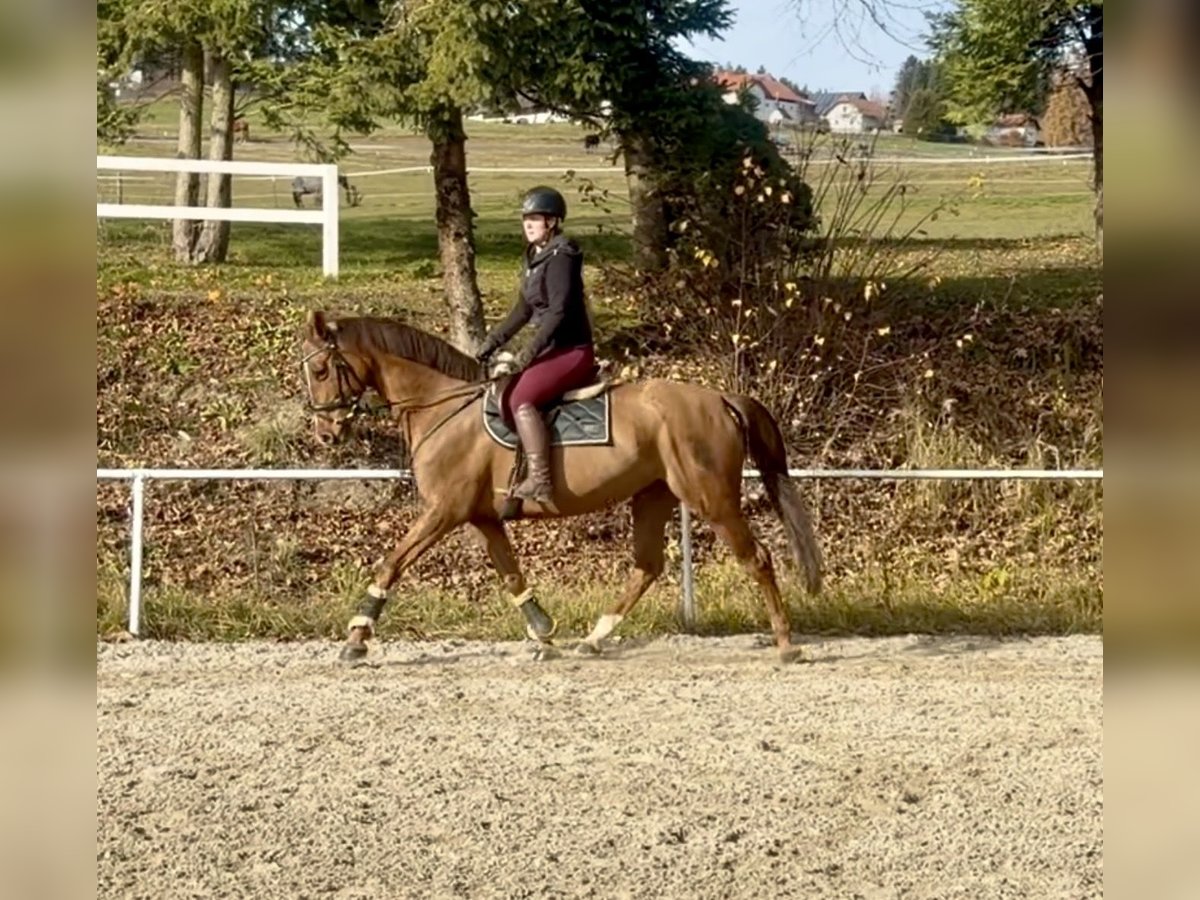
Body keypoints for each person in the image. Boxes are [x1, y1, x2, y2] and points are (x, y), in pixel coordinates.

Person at [475, 186, 597, 504]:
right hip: (551, 349)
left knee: (521, 399)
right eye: (526, 219)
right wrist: (491, 342)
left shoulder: (562, 257)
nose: (528, 224)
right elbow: (523, 309)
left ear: (553, 222)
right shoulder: (535, 257)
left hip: (571, 350)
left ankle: (541, 480)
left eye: (535, 219)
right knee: (504, 391)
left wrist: (528, 351)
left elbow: (559, 311)